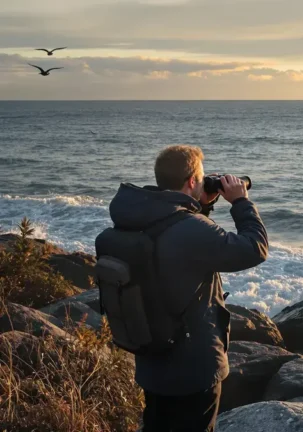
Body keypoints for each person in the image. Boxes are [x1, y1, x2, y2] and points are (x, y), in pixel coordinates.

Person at [106, 145, 268, 431]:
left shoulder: (137, 218)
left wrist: (202, 206)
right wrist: (241, 202)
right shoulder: (191, 229)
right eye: (201, 178)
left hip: (152, 361)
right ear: (192, 181)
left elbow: (182, 243)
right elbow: (255, 248)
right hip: (193, 369)